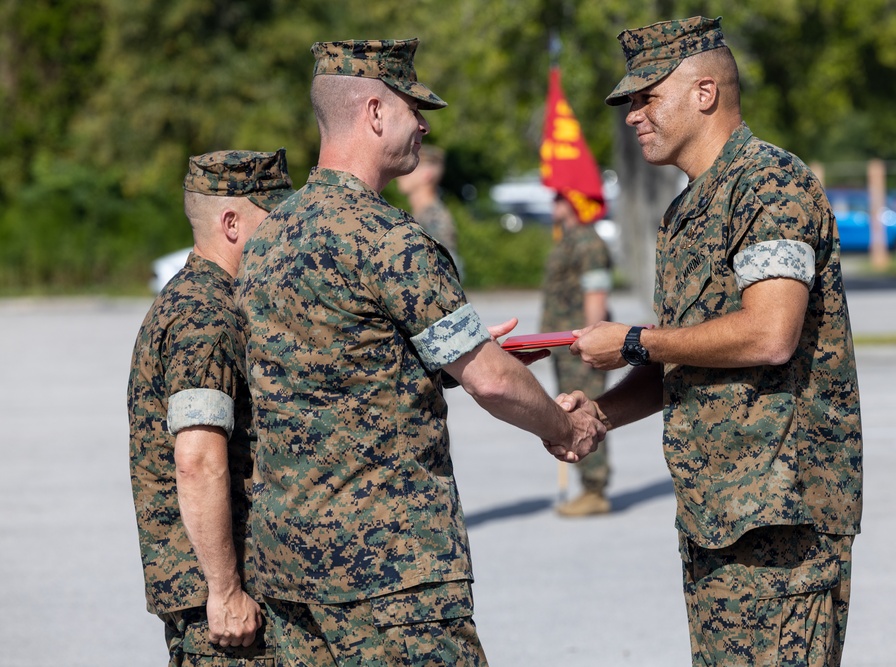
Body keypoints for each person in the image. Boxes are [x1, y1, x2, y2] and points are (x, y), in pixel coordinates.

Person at [234, 38, 604, 666]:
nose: (424, 124)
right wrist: (563, 425)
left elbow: (338, 370)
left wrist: (454, 362)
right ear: (375, 112)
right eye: (413, 108)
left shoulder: (267, 240)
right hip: (388, 571)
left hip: (287, 565)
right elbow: (491, 380)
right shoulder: (391, 242)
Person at [564, 17, 863, 665]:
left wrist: (635, 339)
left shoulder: (769, 184)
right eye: (630, 103)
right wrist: (599, 415)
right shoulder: (688, 210)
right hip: (715, 514)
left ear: (705, 93)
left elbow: (770, 332)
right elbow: (681, 350)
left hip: (781, 519)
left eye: (648, 97)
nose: (633, 116)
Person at [127, 149, 294, 666]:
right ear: (231, 223)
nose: (287, 232)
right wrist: (224, 592)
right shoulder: (206, 316)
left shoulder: (211, 300)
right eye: (275, 219)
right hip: (222, 603)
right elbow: (196, 459)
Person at [540, 190, 615, 517]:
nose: (553, 204)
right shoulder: (568, 239)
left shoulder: (586, 242)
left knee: (588, 412)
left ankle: (594, 488)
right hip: (565, 346)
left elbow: (595, 294)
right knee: (571, 411)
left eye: (559, 198)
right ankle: (587, 484)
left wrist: (592, 341)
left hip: (580, 346)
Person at [395, 143, 462, 274]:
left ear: (427, 174)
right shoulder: (422, 214)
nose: (401, 173)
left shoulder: (434, 217)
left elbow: (446, 272)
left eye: (409, 167)